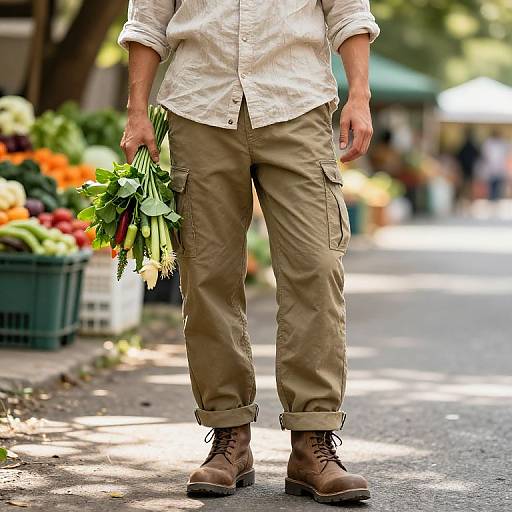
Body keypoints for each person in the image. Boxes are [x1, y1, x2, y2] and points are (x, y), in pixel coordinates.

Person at [118, 0, 379, 504]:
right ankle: (229, 438)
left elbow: (349, 12)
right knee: (207, 276)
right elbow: (146, 22)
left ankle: (311, 441)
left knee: (316, 267)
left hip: (296, 103)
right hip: (200, 105)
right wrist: (136, 112)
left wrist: (360, 96)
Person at [480, 130, 510, 201]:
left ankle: (496, 201)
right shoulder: (488, 143)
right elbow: (486, 157)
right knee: (490, 190)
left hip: (499, 171)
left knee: (499, 190)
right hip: (491, 171)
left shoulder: (502, 143)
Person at [455, 128, 480, 203]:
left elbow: (458, 156)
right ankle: (467, 199)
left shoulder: (466, 146)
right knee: (467, 185)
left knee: (466, 185)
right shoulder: (470, 146)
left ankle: (465, 198)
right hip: (469, 168)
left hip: (466, 168)